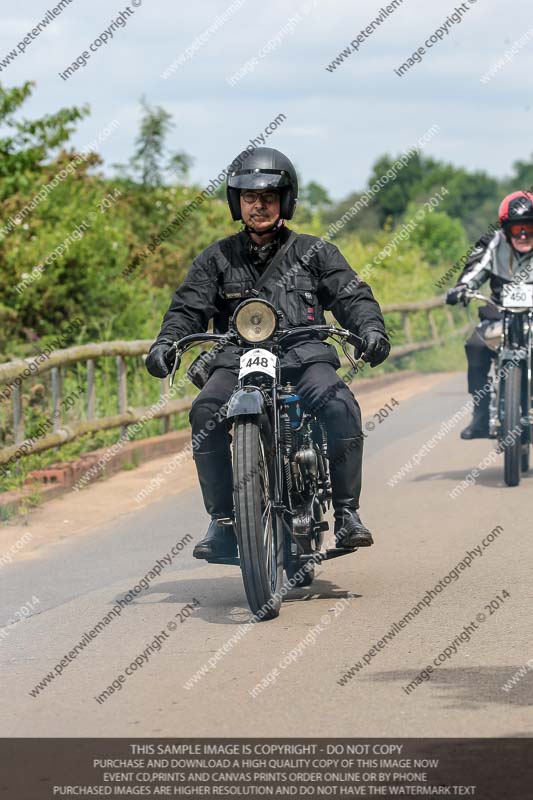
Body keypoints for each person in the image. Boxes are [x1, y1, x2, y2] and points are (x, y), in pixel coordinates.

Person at [145, 147, 390, 559]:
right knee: (205, 409)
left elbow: (352, 296)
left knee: (340, 403)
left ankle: (348, 513)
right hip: (237, 360)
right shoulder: (216, 258)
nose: (258, 206)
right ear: (236, 203)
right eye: (249, 198)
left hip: (303, 355)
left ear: (286, 202)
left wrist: (370, 330)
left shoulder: (316, 252)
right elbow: (188, 308)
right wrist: (166, 342)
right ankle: (223, 522)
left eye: (269, 197)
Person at [446, 190, 533, 438]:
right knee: (475, 345)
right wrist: (463, 288)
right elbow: (475, 269)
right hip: (499, 312)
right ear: (506, 229)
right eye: (517, 229)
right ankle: (481, 416)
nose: (524, 234)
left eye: (528, 227)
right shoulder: (492, 243)